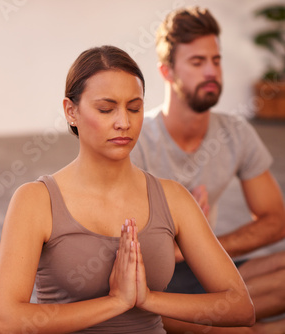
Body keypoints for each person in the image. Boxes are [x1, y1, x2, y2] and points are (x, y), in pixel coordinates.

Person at [0, 45, 254, 333]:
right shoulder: (36, 201)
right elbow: (4, 323)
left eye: (134, 108)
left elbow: (239, 306)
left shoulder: (172, 197)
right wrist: (116, 302)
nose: (123, 122)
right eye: (106, 109)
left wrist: (148, 299)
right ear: (71, 111)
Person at [130, 6, 285, 333]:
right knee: (238, 327)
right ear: (167, 72)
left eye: (216, 60)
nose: (212, 71)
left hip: (209, 270)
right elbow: (109, 246)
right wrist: (172, 239)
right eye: (197, 62)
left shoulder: (236, 132)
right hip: (154, 285)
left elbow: (275, 219)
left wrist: (200, 245)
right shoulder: (134, 140)